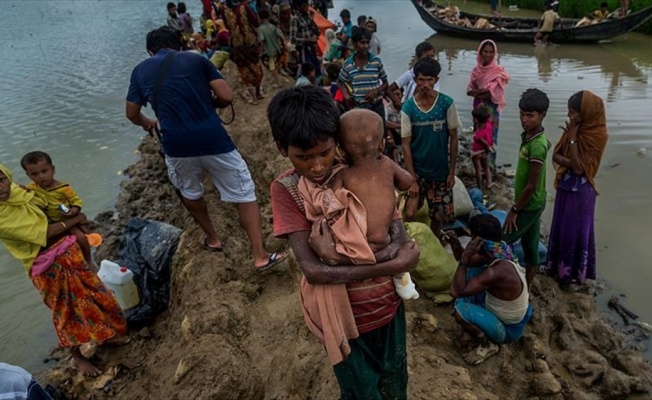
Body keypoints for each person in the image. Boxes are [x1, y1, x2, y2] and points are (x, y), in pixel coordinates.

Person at [268, 85, 420, 399]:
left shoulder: (363, 170)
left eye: (325, 152)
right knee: (361, 391)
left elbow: (399, 234)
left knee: (394, 382)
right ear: (282, 149)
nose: (318, 166)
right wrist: (391, 262)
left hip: (387, 308)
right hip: (344, 320)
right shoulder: (289, 189)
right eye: (303, 157)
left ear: (337, 140)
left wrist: (337, 257)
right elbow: (313, 270)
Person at [126, 26, 286, 271]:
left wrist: (147, 122)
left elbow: (131, 113)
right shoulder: (196, 59)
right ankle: (260, 255)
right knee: (244, 194)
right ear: (179, 45)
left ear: (150, 51)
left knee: (190, 192)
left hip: (176, 146)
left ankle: (212, 238)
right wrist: (212, 103)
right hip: (214, 140)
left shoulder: (139, 71)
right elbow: (227, 96)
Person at [0, 164, 127, 376]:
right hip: (45, 266)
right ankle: (76, 357)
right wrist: (75, 220)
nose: (1, 187)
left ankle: (106, 335)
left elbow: (52, 205)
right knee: (67, 311)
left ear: (7, 176)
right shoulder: (3, 216)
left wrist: (70, 212)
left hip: (67, 250)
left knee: (95, 294)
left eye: (1, 179)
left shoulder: (20, 192)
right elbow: (43, 232)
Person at [298, 109, 419, 300]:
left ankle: (376, 266)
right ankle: (403, 282)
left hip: (359, 242)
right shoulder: (387, 165)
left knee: (344, 252)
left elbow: (331, 204)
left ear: (341, 151)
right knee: (398, 261)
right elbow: (406, 182)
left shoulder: (343, 175)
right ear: (382, 144)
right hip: (385, 239)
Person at [449, 214, 533, 365]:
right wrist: (456, 245)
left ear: (479, 242)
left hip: (507, 329)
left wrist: (465, 256)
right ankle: (485, 324)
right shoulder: (500, 251)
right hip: (511, 314)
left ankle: (488, 344)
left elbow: (455, 291)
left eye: (471, 237)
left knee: (460, 312)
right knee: (472, 270)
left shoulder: (496, 271)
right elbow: (468, 261)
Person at [547, 90, 608, 290]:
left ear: (588, 113)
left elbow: (581, 169)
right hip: (566, 187)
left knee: (575, 233)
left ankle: (571, 276)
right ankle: (556, 268)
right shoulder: (574, 127)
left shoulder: (597, 135)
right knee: (561, 229)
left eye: (574, 113)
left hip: (581, 193)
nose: (570, 117)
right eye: (569, 112)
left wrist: (572, 139)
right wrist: (570, 160)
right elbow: (556, 155)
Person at [401, 57, 461, 242]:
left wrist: (451, 172)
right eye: (421, 80)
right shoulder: (408, 107)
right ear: (415, 80)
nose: (425, 84)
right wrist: (412, 179)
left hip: (440, 172)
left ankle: (435, 243)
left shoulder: (446, 104)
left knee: (439, 217)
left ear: (436, 80)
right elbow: (405, 144)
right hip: (417, 171)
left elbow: (453, 138)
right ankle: (407, 244)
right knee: (409, 213)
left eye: (429, 80)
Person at [503, 88, 550, 287]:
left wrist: (515, 210)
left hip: (529, 204)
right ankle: (528, 287)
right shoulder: (531, 137)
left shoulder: (536, 145)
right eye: (522, 114)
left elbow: (531, 184)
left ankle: (502, 282)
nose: (524, 119)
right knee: (530, 245)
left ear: (542, 116)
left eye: (530, 116)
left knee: (503, 239)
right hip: (536, 202)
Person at [19, 151, 96, 270]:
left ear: (53, 169)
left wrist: (74, 211)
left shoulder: (63, 188)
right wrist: (24, 190)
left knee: (81, 237)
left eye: (44, 171)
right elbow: (29, 196)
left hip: (64, 217)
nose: (41, 176)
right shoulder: (33, 187)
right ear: (28, 175)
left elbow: (76, 201)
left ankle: (89, 261)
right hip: (49, 221)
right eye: (34, 174)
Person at [467, 39, 510, 170]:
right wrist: (482, 91)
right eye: (485, 51)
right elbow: (469, 91)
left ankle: (490, 165)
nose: (488, 55)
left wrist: (479, 92)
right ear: (480, 52)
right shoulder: (476, 71)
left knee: (491, 135)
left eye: (491, 52)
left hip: (491, 109)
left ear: (494, 53)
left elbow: (491, 95)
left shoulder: (498, 72)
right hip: (478, 108)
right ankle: (478, 164)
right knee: (478, 134)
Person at [220, 0, 265, 104]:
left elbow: (227, 26)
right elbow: (255, 22)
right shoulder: (244, 6)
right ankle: (258, 92)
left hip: (237, 45)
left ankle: (254, 98)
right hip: (249, 42)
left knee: (244, 72)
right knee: (256, 68)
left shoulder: (223, 9)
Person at [338, 27, 388, 119]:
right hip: (360, 106)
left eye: (367, 42)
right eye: (362, 42)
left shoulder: (376, 61)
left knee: (380, 131)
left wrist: (376, 91)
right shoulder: (348, 64)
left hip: (376, 105)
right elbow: (340, 81)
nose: (366, 46)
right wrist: (346, 95)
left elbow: (385, 83)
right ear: (354, 44)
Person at [388, 41, 440, 108]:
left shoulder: (434, 75)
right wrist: (399, 104)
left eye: (432, 56)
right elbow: (389, 89)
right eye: (426, 57)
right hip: (409, 111)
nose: (430, 60)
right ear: (418, 58)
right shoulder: (410, 74)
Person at [290, 0, 321, 78]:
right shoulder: (295, 19)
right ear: (298, 7)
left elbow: (317, 32)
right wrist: (308, 40)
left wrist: (312, 20)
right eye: (304, 6)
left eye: (307, 6)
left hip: (312, 48)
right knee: (308, 73)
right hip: (304, 49)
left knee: (317, 71)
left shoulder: (308, 17)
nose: (306, 8)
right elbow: (293, 39)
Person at [258, 9, 285, 86]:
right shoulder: (272, 26)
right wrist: (283, 45)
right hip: (277, 49)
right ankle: (280, 73)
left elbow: (262, 41)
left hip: (269, 51)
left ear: (260, 18)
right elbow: (280, 36)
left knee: (272, 67)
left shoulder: (261, 29)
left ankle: (278, 82)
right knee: (276, 64)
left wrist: (260, 53)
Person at [471, 105, 495, 190]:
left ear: (476, 120)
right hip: (485, 151)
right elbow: (491, 117)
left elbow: (483, 142)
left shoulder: (478, 133)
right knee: (486, 166)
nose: (473, 119)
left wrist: (487, 147)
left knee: (478, 169)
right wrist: (488, 149)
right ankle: (489, 182)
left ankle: (479, 185)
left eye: (473, 118)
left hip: (477, 151)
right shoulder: (488, 125)